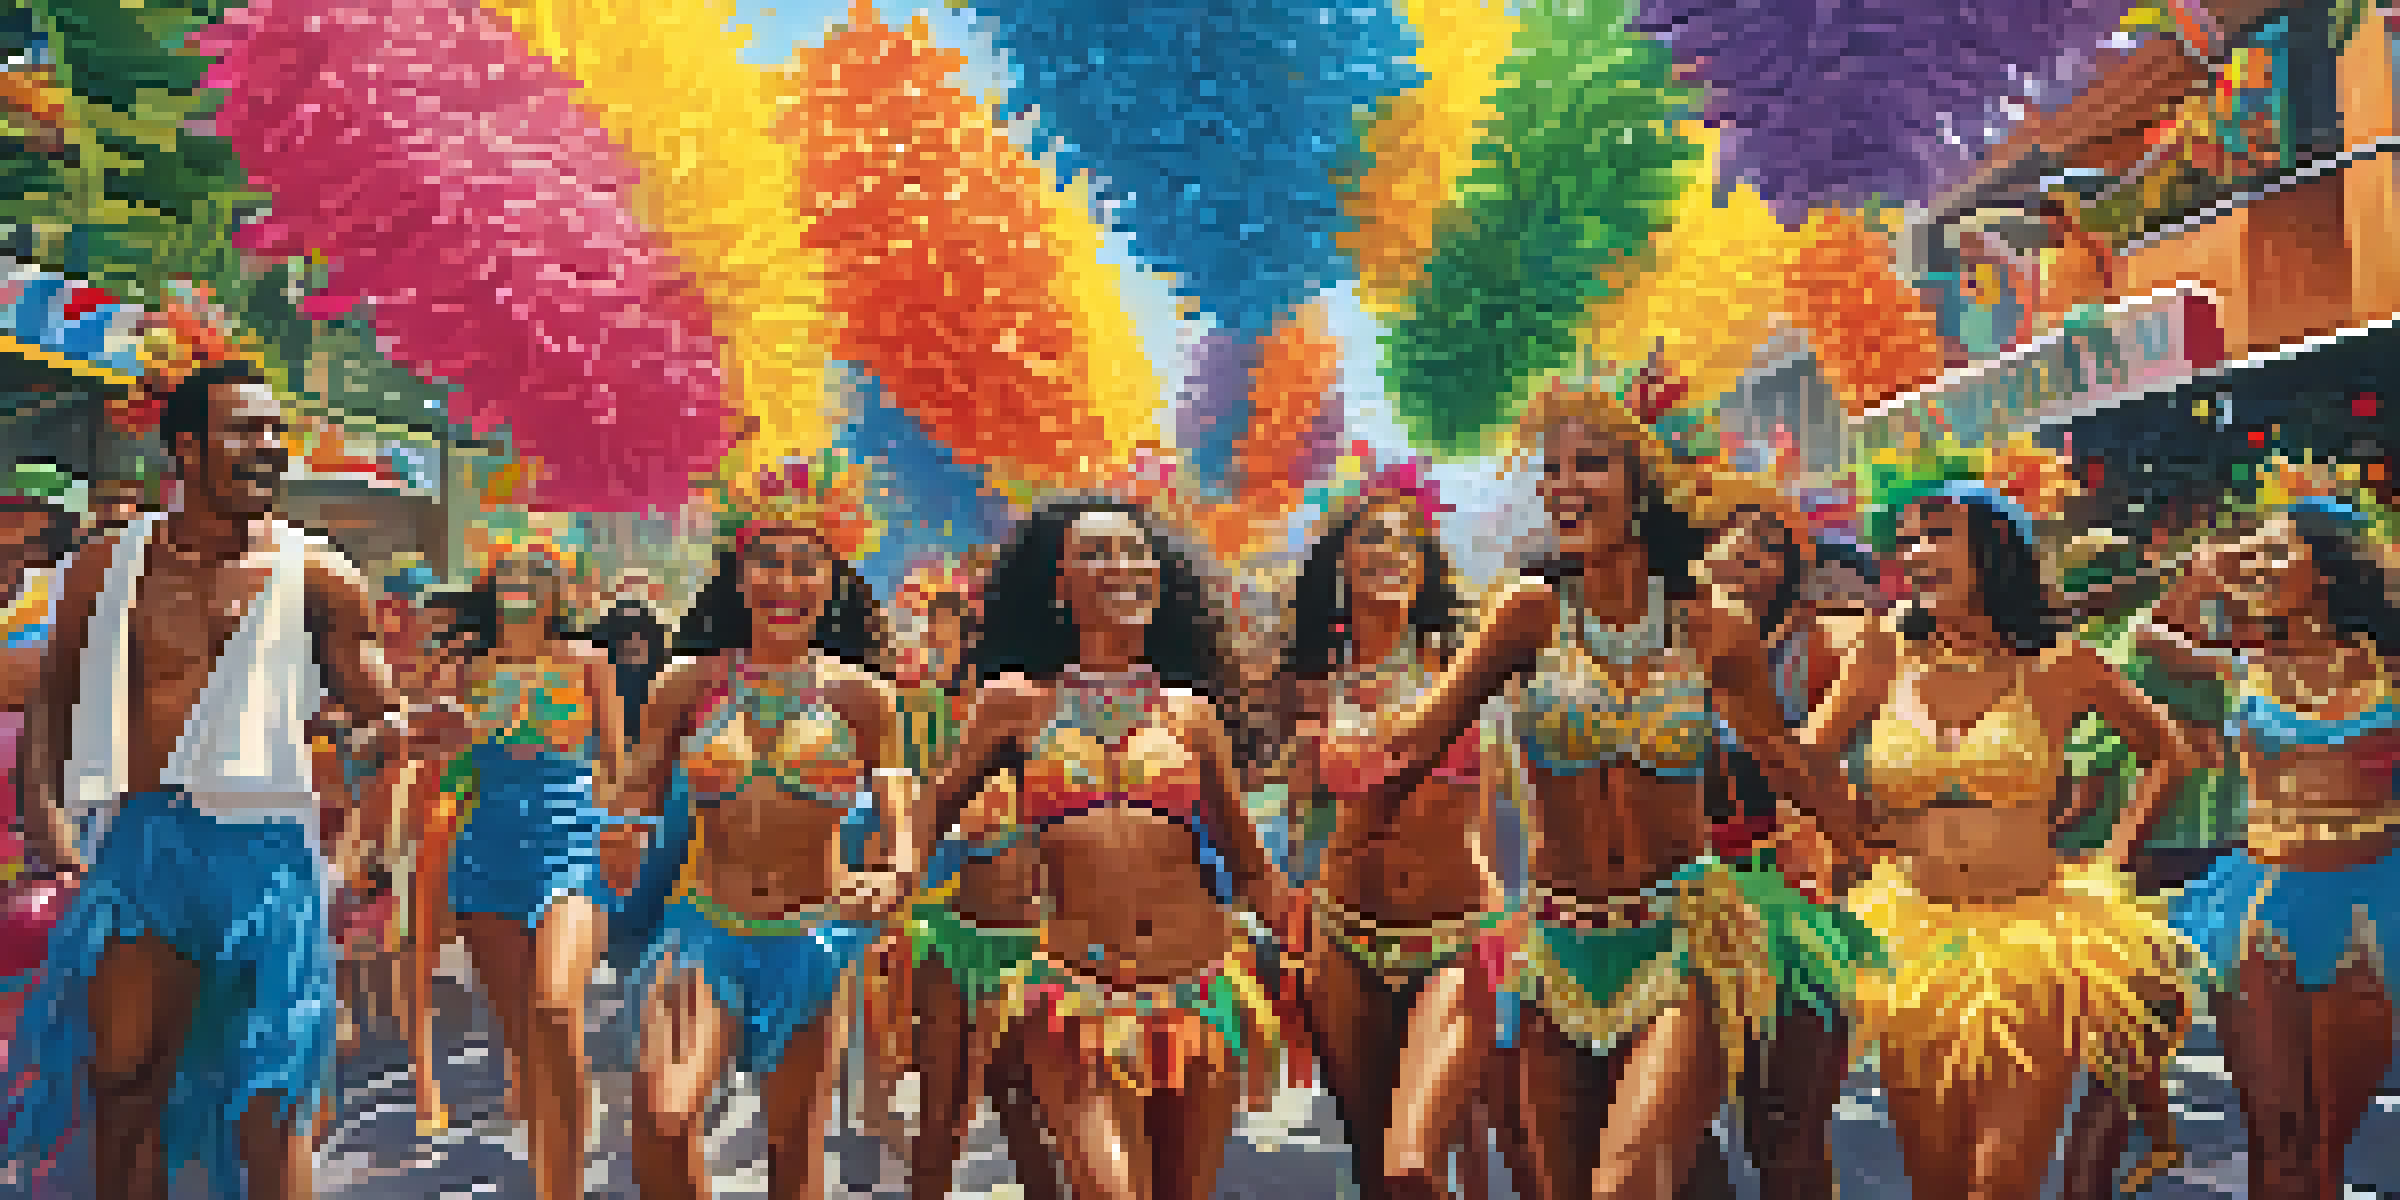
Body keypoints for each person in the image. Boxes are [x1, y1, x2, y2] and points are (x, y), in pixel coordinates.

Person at [1352, 376, 1860, 1200]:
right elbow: (1416, 738)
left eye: (1588, 464)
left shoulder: (1711, 626)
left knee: (1627, 1184)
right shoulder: (1527, 615)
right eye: (1551, 469)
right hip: (1555, 953)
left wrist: (1881, 839)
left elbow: (1788, 764)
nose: (1561, 485)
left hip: (1680, 943)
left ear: (1644, 484)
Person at [2, 359, 425, 1200]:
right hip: (145, 849)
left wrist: (388, 736)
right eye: (246, 430)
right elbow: (54, 702)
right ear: (186, 448)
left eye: (275, 432)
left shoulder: (320, 574)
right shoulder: (103, 568)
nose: (269, 448)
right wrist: (47, 827)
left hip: (266, 851)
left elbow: (379, 708)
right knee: (125, 1087)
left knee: (272, 1102)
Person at [1802, 483, 2200, 1199]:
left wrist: (2117, 856)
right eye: (1907, 541)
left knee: (2002, 1181)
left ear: (1993, 549)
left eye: (1936, 535)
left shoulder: (2060, 662)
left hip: (2031, 941)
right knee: (1936, 1180)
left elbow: (2166, 752)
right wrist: (1849, 838)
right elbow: (1805, 761)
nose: (1914, 554)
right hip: (1910, 944)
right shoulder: (1880, 653)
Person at [922, 499, 1296, 1200]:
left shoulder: (1191, 714)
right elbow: (932, 811)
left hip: (1200, 998)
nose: (1120, 567)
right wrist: (886, 882)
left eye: (1134, 552)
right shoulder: (1015, 704)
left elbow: (1249, 864)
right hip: (1076, 1000)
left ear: (1159, 576)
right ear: (1059, 586)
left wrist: (1313, 942)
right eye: (1095, 554)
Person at [616, 456, 915, 1198]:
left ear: (832, 579)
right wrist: (620, 833)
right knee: (662, 1116)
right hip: (705, 934)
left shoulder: (865, 700)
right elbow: (634, 797)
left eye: (804, 565)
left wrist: (892, 875)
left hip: (810, 942)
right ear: (739, 576)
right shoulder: (685, 684)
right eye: (766, 564)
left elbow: (903, 829)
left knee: (793, 1153)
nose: (784, 584)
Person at [2139, 499, 2400, 1200]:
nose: (2256, 565)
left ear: (2327, 567)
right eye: (2248, 553)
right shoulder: (2240, 664)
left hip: (2373, 906)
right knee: (2275, 1133)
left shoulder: (2389, 665)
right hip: (2260, 905)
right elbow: (2150, 635)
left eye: (2277, 551)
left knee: (2325, 1140)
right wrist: (2204, 574)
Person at [1276, 470, 1513, 1200]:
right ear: (1341, 559)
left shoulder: (1460, 661)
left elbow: (1498, 805)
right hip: (1343, 937)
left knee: (1413, 1163)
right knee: (1375, 1165)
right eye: (1372, 536)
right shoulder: (1312, 683)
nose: (1391, 551)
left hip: (1453, 936)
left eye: (1408, 541)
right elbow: (1304, 818)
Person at [422, 534, 625, 1199]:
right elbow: (444, 761)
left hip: (570, 846)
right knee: (525, 1044)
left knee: (557, 1009)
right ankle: (553, 1174)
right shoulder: (468, 667)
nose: (524, 584)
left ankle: (562, 1177)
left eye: (538, 573)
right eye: (510, 573)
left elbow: (617, 773)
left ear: (560, 592)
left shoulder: (589, 661)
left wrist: (624, 843)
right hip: (486, 855)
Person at [1698, 504, 1882, 1200]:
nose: (1744, 559)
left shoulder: (1825, 643)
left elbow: (1824, 764)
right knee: (1676, 1137)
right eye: (1728, 543)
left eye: (1766, 550)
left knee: (1786, 1133)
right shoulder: (1655, 644)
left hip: (1786, 900)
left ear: (1791, 571)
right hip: (1674, 907)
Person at [890, 557, 1067, 1200]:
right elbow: (932, 807)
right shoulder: (964, 708)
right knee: (942, 1115)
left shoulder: (1061, 705)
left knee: (1025, 1114)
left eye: (964, 627)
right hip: (960, 934)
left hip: (1039, 945)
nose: (953, 640)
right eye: (946, 628)